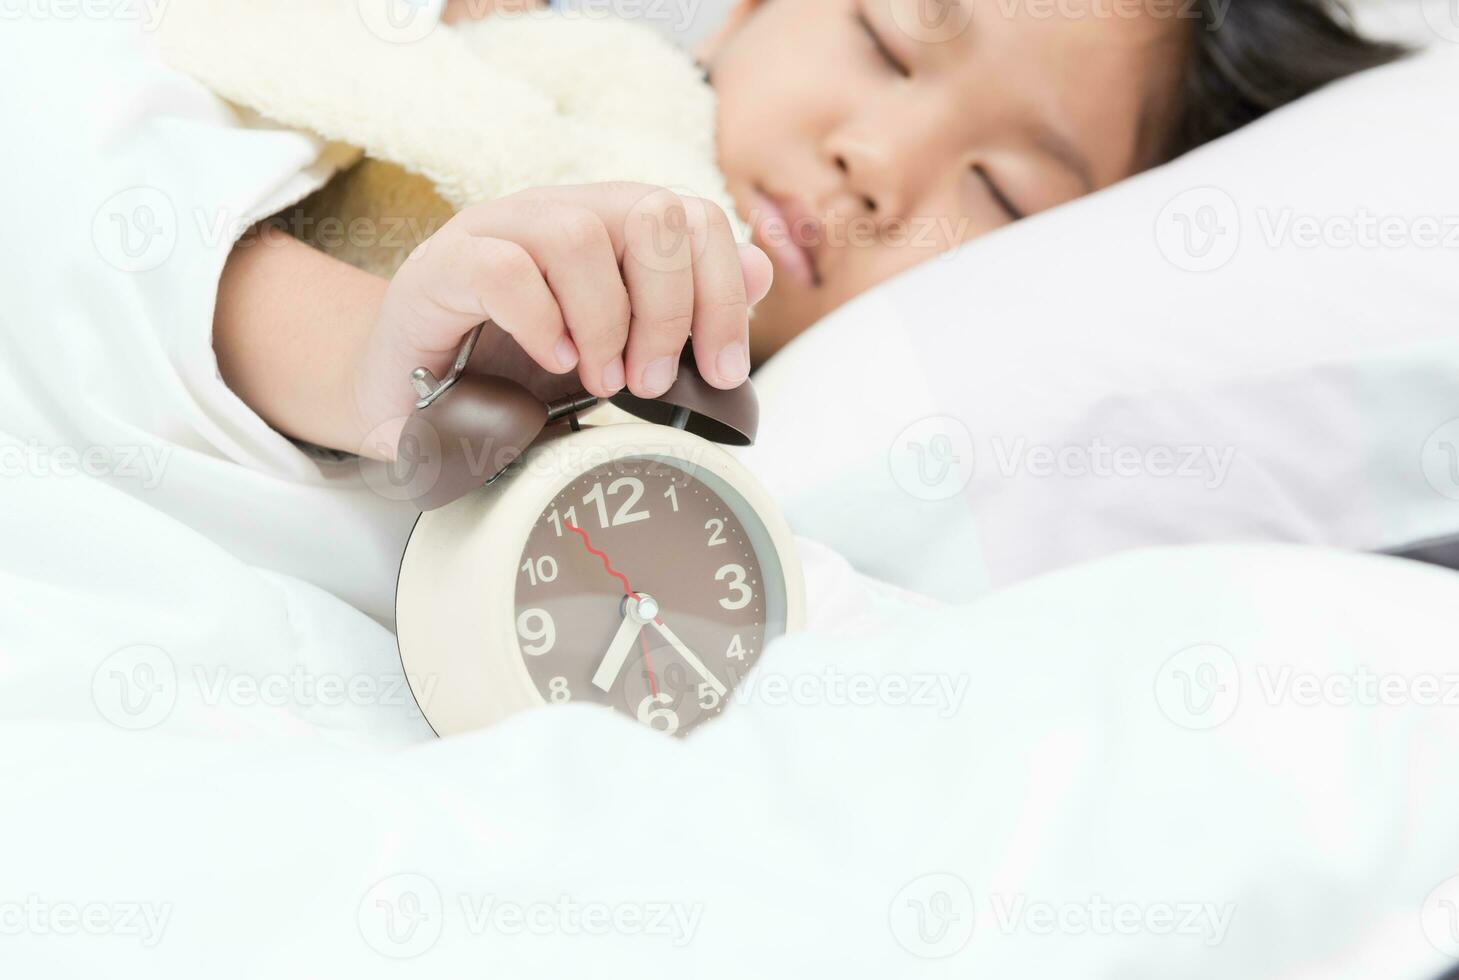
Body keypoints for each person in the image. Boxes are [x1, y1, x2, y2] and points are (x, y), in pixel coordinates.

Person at [212, 0, 1404, 461]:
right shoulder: (487, 61)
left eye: (1001, 193)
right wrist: (383, 356)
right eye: (888, 41)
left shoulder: (848, 467)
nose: (877, 162)